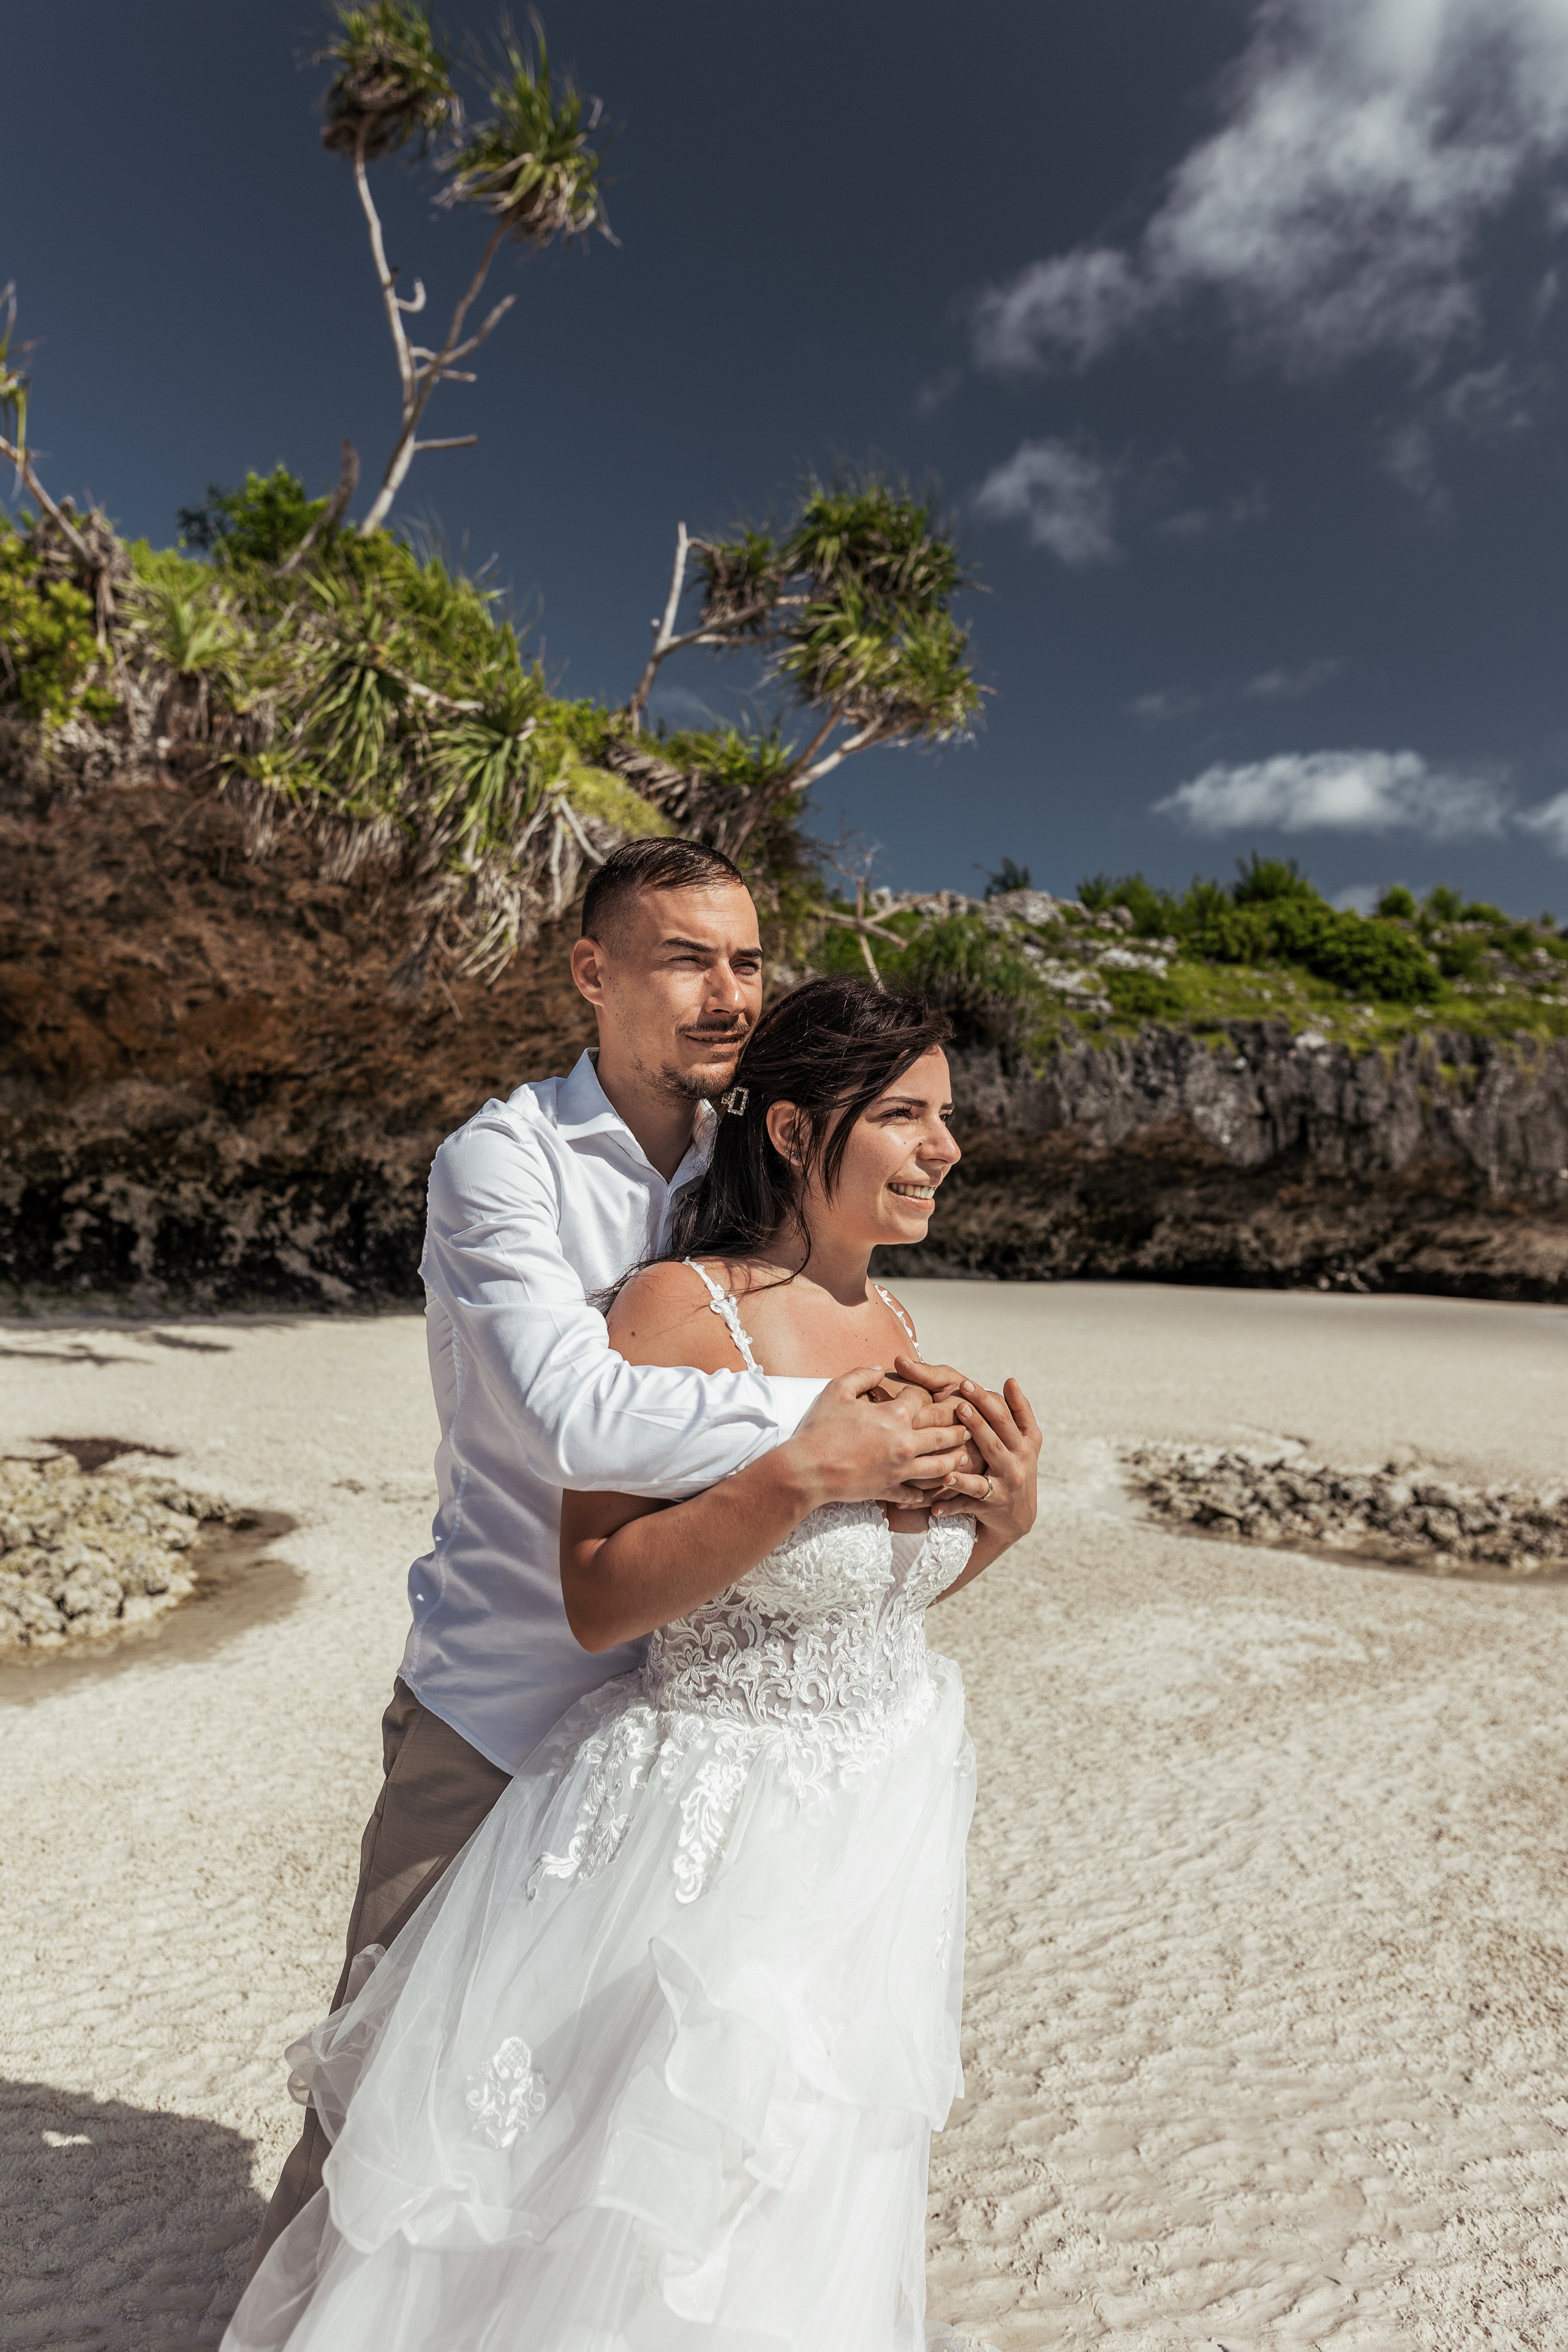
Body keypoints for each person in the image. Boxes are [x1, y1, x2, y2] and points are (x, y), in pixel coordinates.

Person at [225, 975, 1040, 2352]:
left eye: (944, 1116)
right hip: (707, 1840)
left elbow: (869, 1604)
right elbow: (600, 1598)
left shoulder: (896, 1330)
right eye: (901, 1116)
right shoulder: (673, 1312)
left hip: (874, 1821)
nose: (941, 1147)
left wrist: (1002, 1525)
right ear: (792, 1131)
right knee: (636, 2201)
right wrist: (793, 1477)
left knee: (804, 2164)